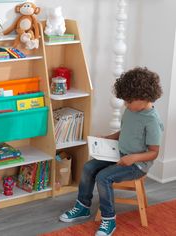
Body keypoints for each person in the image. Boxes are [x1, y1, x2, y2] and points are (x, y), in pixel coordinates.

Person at [59, 67, 164, 236]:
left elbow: (154, 152)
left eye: (128, 101)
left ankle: (109, 219)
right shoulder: (132, 110)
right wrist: (110, 137)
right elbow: (127, 131)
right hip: (120, 153)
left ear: (144, 98)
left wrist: (133, 158)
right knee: (88, 167)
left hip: (137, 164)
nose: (125, 104)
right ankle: (83, 207)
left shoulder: (152, 121)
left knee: (103, 177)